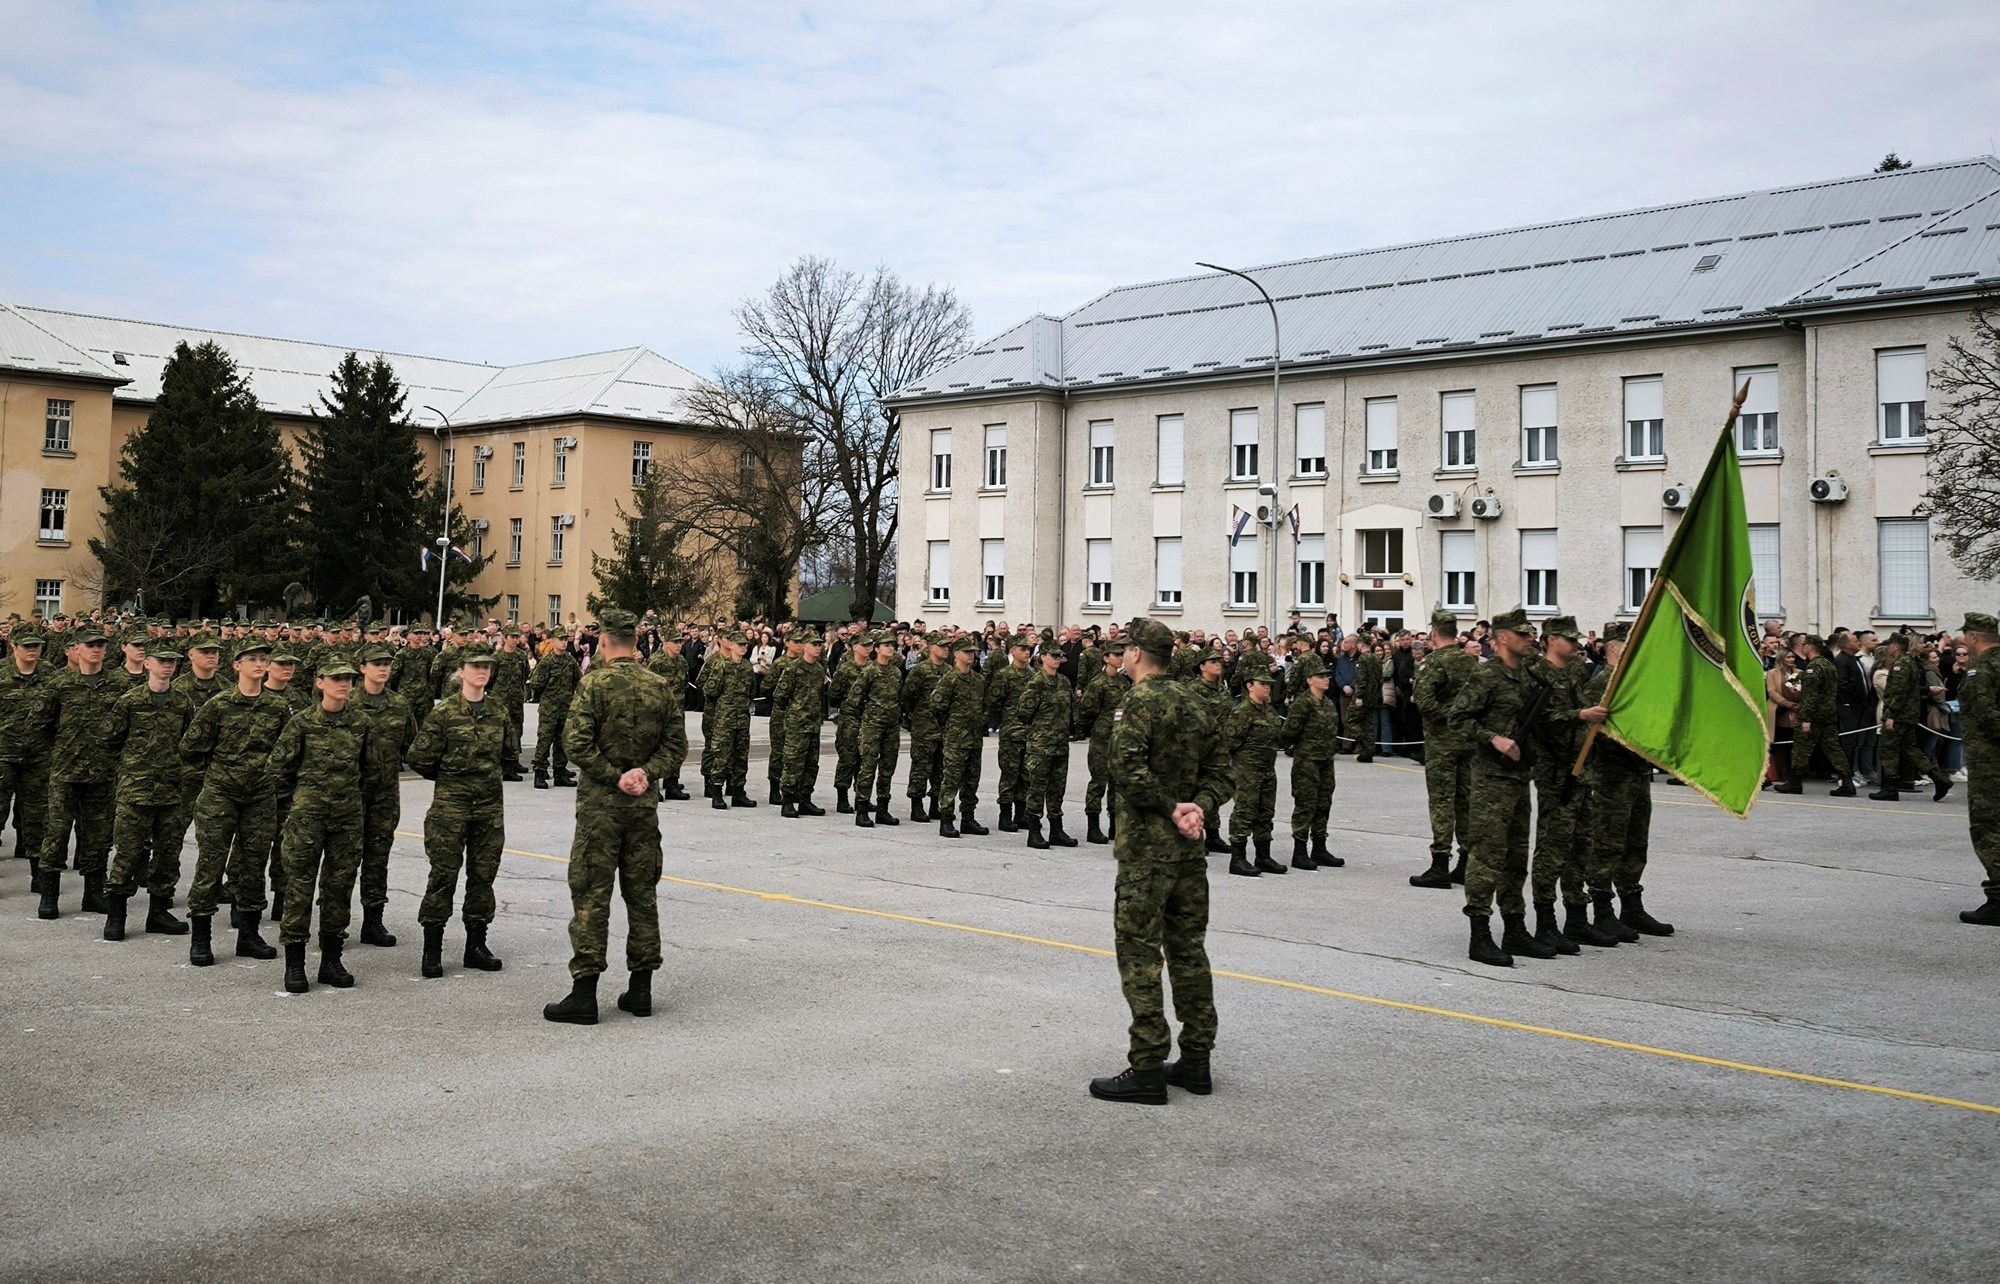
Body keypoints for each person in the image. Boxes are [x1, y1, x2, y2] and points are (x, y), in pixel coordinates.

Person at [1088, 616, 1230, 1106]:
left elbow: (1126, 769)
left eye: (1125, 649)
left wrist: (1172, 809)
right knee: (1189, 950)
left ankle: (1147, 1065)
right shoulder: (1198, 701)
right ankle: (1196, 1060)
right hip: (1189, 851)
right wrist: (1199, 811)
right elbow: (1221, 773)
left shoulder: (1138, 703)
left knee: (1140, 952)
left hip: (1148, 852)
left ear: (1135, 655)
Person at [544, 609, 682, 1025]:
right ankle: (641, 991)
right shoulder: (660, 687)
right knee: (642, 896)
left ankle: (584, 994)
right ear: (636, 644)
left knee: (591, 896)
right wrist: (645, 772)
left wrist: (614, 777)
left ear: (603, 642)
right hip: (642, 811)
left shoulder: (592, 685)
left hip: (601, 811)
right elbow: (676, 747)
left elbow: (576, 745)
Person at [1451, 608, 1560, 967]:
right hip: (1490, 783)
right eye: (1523, 634)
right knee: (1486, 859)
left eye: (1531, 634)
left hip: (1518, 779)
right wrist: (1491, 738)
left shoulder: (1529, 677)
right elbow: (1458, 720)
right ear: (1501, 639)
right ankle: (1479, 935)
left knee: (1516, 858)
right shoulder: (1487, 676)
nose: (1530, 638)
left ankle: (1514, 927)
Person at [406, 642, 513, 979]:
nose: (482, 672)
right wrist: (451, 778)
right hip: (450, 808)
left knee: (483, 877)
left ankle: (475, 946)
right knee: (443, 876)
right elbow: (419, 757)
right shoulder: (444, 713)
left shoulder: (499, 712)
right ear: (461, 672)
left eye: (487, 667)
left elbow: (508, 753)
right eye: (475, 666)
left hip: (488, 809)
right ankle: (432, 950)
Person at [267, 658, 372, 994]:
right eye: (337, 678)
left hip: (346, 819)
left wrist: (351, 799)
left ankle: (331, 960)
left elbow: (373, 772)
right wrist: (301, 800)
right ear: (320, 683)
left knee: (339, 888)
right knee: (299, 887)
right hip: (306, 818)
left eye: (349, 679)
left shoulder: (362, 724)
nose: (344, 684)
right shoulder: (301, 723)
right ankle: (295, 964)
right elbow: (277, 769)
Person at [102, 645, 195, 941]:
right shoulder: (130, 701)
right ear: (147, 665)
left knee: (168, 855)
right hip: (136, 791)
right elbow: (110, 739)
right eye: (162, 661)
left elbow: (189, 742)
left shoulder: (182, 702)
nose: (168, 666)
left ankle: (158, 912)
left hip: (171, 791)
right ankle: (116, 916)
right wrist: (130, 769)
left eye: (173, 662)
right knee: (128, 854)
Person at [1579, 623, 1663, 943]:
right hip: (1610, 777)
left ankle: (1632, 905)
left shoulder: (1634, 682)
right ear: (1615, 648)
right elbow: (1589, 732)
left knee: (1635, 844)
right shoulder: (1602, 684)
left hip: (1637, 773)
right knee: (1607, 845)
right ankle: (1602, 911)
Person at [1526, 616, 1604, 953]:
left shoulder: (1575, 672)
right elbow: (1540, 723)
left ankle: (1576, 916)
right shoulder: (1535, 675)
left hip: (1581, 769)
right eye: (1570, 640)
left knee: (1581, 844)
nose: (1577, 645)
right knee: (1552, 847)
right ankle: (1546, 922)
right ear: (1551, 639)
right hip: (1555, 774)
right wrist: (1581, 716)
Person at [34, 624, 121, 920]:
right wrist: (60, 752)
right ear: (77, 649)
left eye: (100, 645)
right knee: (56, 833)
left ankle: (93, 893)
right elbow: (41, 724)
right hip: (65, 772)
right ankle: (49, 895)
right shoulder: (60, 684)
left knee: (98, 835)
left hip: (102, 772)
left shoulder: (118, 684)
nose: (96, 649)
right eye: (90, 645)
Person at [1410, 613, 1475, 888]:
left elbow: (1424, 701)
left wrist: (1449, 718)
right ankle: (1466, 863)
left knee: (1442, 802)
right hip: (1469, 742)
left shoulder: (1434, 663)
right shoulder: (1469, 661)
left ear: (1435, 633)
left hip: (1442, 744)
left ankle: (1440, 864)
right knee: (1466, 801)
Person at [1954, 612, 1999, 925]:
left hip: (1990, 764)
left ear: (1972, 637)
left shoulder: (1980, 671)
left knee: (1988, 828)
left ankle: (1998, 899)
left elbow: (1987, 716)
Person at [1871, 633, 1952, 802]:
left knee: (1888, 750)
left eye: (1891, 645)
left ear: (1896, 647)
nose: (1889, 648)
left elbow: (1898, 693)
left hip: (1899, 716)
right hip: (1908, 715)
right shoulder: (1911, 663)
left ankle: (1890, 788)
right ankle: (1938, 778)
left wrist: (1891, 715)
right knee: (1910, 749)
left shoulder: (1901, 664)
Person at [0, 627, 53, 884]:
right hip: (3, 756)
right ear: (13, 646)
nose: (32, 650)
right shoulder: (1, 673)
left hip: (38, 757)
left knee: (37, 817)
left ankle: (39, 874)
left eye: (36, 645)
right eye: (26, 645)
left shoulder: (51, 675)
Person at [1277, 667, 1341, 871]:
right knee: (1306, 805)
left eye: (1327, 676)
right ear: (1309, 680)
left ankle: (1319, 847)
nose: (1326, 679)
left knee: (1323, 804)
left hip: (1325, 761)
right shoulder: (1303, 704)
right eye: (1321, 676)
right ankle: (1300, 851)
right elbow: (1288, 733)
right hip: (1307, 762)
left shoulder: (1328, 703)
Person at [1223, 670, 1284, 876]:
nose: (1267, 687)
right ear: (1250, 686)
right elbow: (1229, 743)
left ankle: (1263, 856)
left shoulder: (1270, 711)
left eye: (1269, 684)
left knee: (1265, 812)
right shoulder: (1243, 712)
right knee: (1245, 811)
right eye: (1262, 683)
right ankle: (1238, 859)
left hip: (1267, 770)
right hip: (1247, 771)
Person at [1016, 644, 1077, 849]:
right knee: (1036, 788)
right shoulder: (1036, 683)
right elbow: (1024, 712)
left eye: (1060, 656)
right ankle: (1034, 831)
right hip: (1040, 746)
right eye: (1054, 655)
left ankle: (1056, 830)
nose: (1058, 659)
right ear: (1042, 657)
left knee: (1057, 788)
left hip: (1060, 745)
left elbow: (1070, 711)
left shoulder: (1064, 682)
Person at [1778, 635, 1852, 796]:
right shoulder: (1828, 665)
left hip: (1813, 716)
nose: (1802, 647)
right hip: (1827, 715)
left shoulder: (1813, 667)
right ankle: (1847, 782)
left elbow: (1812, 695)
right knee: (1834, 750)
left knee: (1800, 750)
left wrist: (1806, 718)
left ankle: (1795, 783)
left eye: (1804, 644)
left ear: (1811, 647)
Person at [931, 637, 990, 838]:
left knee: (972, 780)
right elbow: (937, 706)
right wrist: (950, 727)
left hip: (974, 739)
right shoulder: (950, 679)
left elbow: (984, 707)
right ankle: (946, 819)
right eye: (967, 652)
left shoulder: (978, 680)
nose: (971, 656)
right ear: (957, 655)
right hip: (956, 738)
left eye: (973, 652)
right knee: (951, 779)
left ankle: (968, 818)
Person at [1076, 643, 1131, 845]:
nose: (1120, 658)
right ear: (1106, 658)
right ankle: (1093, 826)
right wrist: (1098, 726)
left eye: (1121, 655)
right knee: (1099, 782)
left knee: (1118, 784)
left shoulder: (1124, 683)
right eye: (1116, 655)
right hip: (1102, 739)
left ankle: (1115, 826)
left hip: (1119, 739)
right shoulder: (1098, 683)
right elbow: (1086, 710)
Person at [852, 633, 905, 829]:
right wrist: (865, 720)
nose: (890, 648)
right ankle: (862, 809)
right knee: (867, 768)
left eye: (892, 645)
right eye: (886, 645)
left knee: (887, 769)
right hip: (872, 726)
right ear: (877, 649)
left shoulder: (896, 672)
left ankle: (883, 809)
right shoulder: (869, 671)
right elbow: (854, 699)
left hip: (891, 727)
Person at [700, 631, 756, 808]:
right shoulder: (721, 666)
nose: (743, 648)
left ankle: (739, 792)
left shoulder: (747, 667)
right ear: (731, 645)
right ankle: (716, 791)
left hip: (742, 719)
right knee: (721, 756)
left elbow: (752, 691)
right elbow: (709, 691)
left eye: (745, 645)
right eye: (740, 645)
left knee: (741, 756)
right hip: (725, 718)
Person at [778, 629, 828, 817]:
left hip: (813, 724)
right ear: (805, 647)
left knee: (811, 764)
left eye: (820, 645)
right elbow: (780, 696)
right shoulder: (793, 669)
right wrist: (795, 714)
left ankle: (805, 799)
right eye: (814, 645)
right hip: (797, 724)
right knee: (793, 762)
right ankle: (788, 800)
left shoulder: (819, 669)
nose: (818, 648)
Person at [988, 636, 1033, 831]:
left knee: (1026, 775)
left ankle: (1020, 813)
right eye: (1022, 649)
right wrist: (1004, 723)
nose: (1027, 652)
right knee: (1009, 774)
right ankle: (1005, 815)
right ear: (1012, 651)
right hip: (1010, 733)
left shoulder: (1032, 675)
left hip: (1028, 733)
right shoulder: (1004, 675)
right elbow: (994, 702)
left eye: (1029, 649)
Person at [902, 633, 948, 822]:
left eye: (947, 646)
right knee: (921, 767)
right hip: (923, 726)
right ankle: (917, 805)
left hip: (943, 727)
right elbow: (908, 696)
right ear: (930, 648)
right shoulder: (920, 671)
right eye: (941, 646)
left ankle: (935, 804)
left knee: (940, 768)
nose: (946, 649)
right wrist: (917, 715)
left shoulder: (949, 671)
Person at [642, 627, 693, 799]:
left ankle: (672, 784)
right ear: (666, 644)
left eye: (680, 642)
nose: (679, 646)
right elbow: (647, 688)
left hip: (677, 712)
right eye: (675, 642)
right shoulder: (656, 662)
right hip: (658, 713)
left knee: (676, 746)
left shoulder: (682, 662)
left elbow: (684, 685)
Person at [529, 633, 581, 790]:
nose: (564, 643)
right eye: (561, 640)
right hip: (549, 708)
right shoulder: (547, 661)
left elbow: (577, 681)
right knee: (545, 740)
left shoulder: (570, 660)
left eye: (566, 640)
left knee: (562, 741)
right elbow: (536, 683)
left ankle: (560, 772)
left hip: (565, 707)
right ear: (553, 641)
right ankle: (540, 771)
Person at [829, 638, 871, 814]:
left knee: (865, 762)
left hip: (868, 720)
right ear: (855, 648)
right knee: (848, 759)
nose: (868, 649)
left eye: (870, 645)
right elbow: (833, 695)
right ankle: (842, 798)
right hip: (850, 719)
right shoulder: (845, 670)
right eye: (865, 645)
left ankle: (862, 797)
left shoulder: (873, 668)